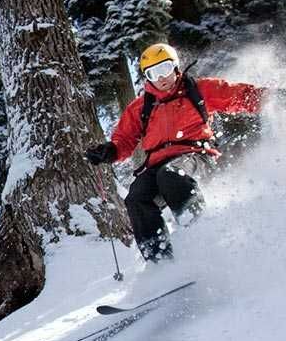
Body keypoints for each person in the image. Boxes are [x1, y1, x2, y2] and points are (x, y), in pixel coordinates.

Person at [86, 43, 265, 262]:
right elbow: (124, 139)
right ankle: (159, 261)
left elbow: (238, 95)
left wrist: (275, 97)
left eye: (165, 69)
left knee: (170, 175)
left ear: (176, 67)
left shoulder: (198, 90)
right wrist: (110, 151)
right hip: (157, 165)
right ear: (146, 77)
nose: (162, 78)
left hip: (195, 155)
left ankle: (200, 234)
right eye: (153, 73)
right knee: (136, 197)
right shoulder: (141, 107)